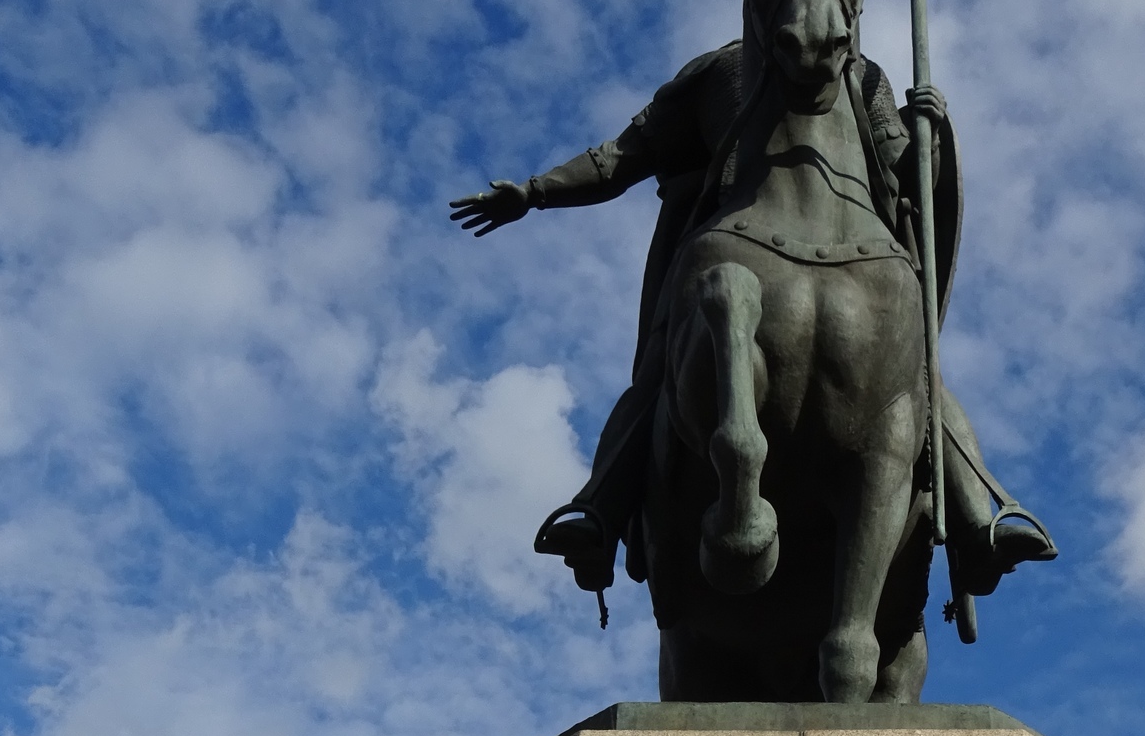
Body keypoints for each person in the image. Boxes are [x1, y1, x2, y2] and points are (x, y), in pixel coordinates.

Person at [452, 36, 1054, 607]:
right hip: (725, 238)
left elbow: (902, 169)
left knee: (911, 376)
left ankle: (981, 509)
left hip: (858, 253)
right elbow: (622, 157)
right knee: (660, 371)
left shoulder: (864, 75)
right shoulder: (718, 71)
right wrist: (534, 192)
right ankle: (599, 508)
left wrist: (932, 134)